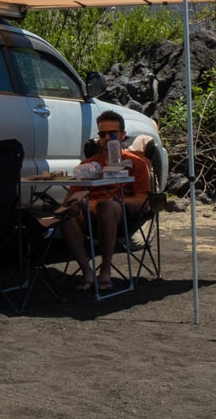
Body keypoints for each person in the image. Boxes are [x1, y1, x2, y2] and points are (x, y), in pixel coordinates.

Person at [56, 110, 151, 292]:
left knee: (106, 206)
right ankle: (87, 271)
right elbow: (70, 198)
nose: (107, 138)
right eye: (102, 134)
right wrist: (78, 203)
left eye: (112, 133)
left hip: (121, 216)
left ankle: (105, 270)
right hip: (89, 215)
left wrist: (117, 201)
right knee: (67, 213)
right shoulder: (89, 164)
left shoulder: (137, 163)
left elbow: (143, 200)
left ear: (123, 135)